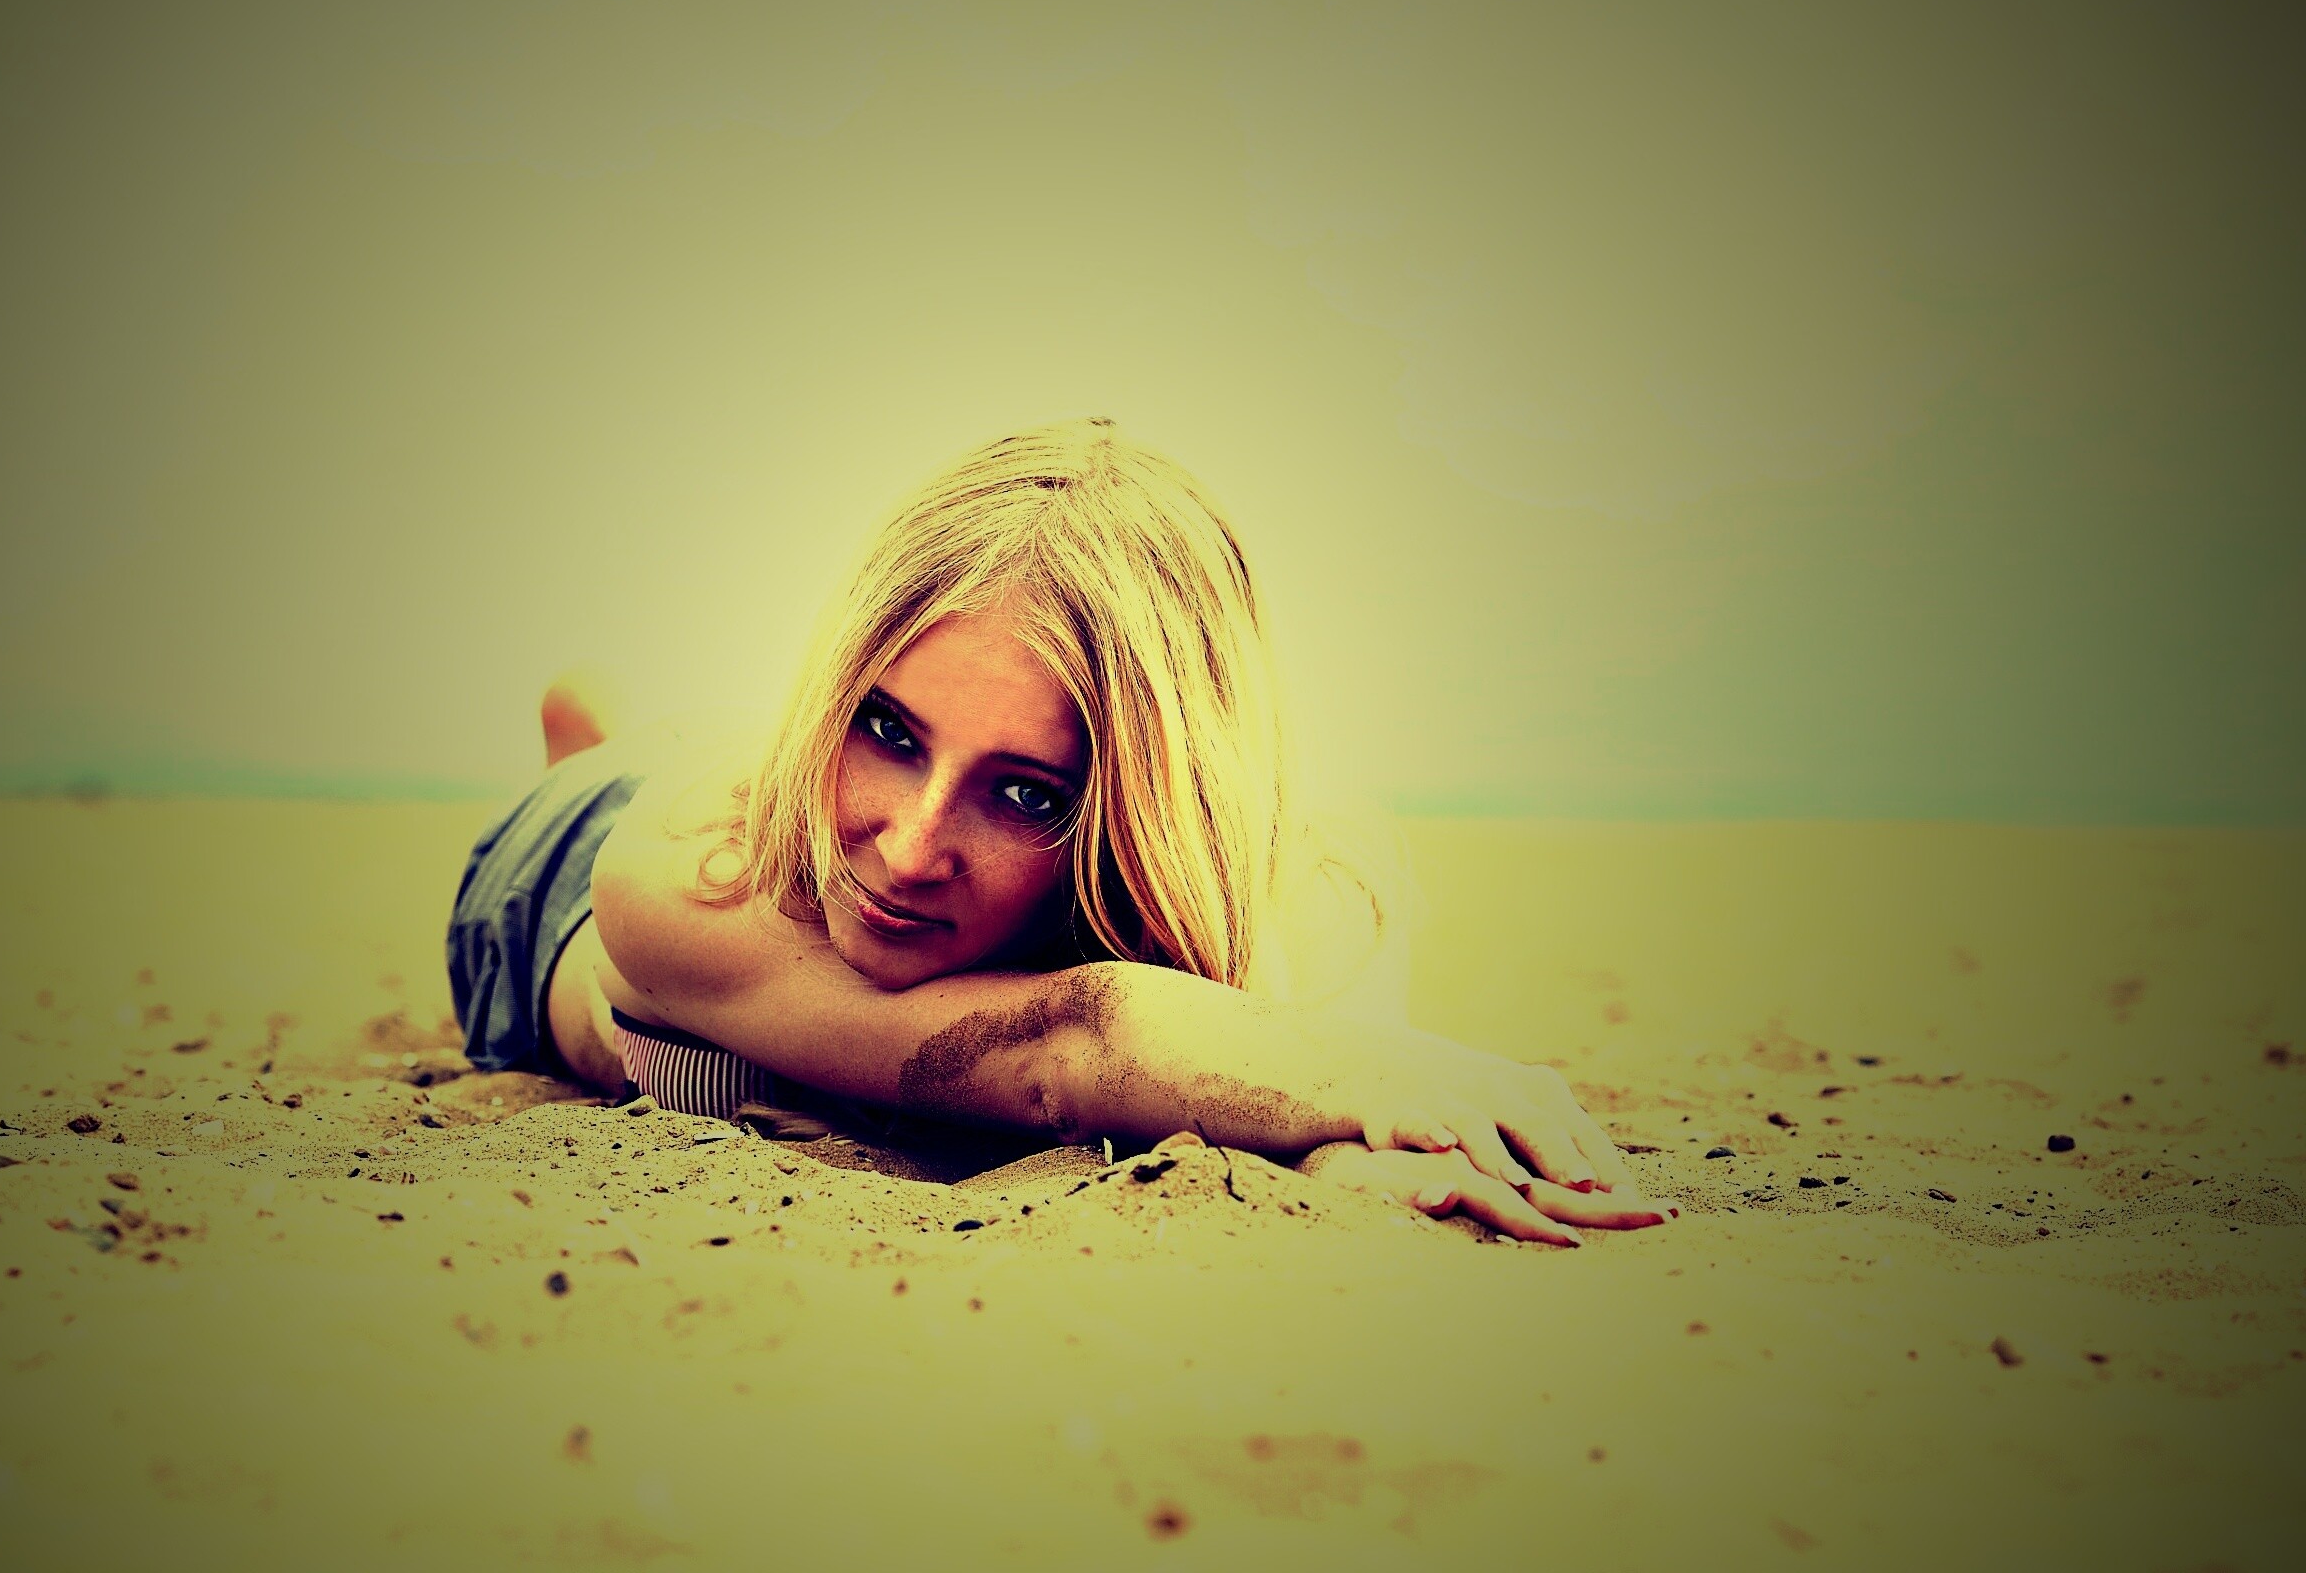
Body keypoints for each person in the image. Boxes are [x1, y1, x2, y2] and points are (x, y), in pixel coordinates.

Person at [447, 419, 1673, 1245]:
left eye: (1027, 793)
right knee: (620, 766)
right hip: (562, 879)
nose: (910, 848)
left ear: (1142, 807)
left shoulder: (1314, 877)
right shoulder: (672, 877)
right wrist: (1370, 1084)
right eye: (886, 726)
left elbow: (1305, 1095)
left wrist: (1355, 1153)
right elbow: (1079, 1044)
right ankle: (592, 746)